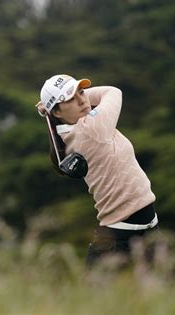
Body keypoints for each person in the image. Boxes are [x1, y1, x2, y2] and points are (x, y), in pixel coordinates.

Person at [36, 74, 159, 267]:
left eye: (81, 92)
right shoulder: (90, 128)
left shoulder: (74, 128)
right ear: (58, 113)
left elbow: (83, 104)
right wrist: (49, 108)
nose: (81, 100)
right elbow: (112, 92)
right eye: (70, 98)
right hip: (121, 238)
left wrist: (52, 108)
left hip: (143, 232)